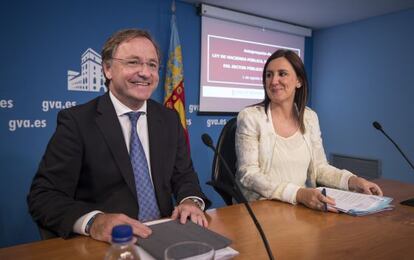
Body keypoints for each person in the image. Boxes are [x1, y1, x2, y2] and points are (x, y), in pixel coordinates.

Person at [27, 28, 211, 243]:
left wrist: (190, 201)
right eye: (133, 62)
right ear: (107, 69)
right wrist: (94, 221)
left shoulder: (169, 119)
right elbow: (44, 196)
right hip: (109, 243)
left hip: (165, 237)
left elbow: (184, 176)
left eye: (152, 64)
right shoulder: (77, 121)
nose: (145, 72)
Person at [235, 49, 382, 212]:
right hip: (262, 208)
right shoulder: (250, 117)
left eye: (282, 74)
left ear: (299, 81)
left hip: (303, 207)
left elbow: (319, 168)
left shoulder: (310, 118)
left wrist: (353, 181)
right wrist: (298, 193)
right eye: (269, 75)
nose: (274, 80)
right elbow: (248, 174)